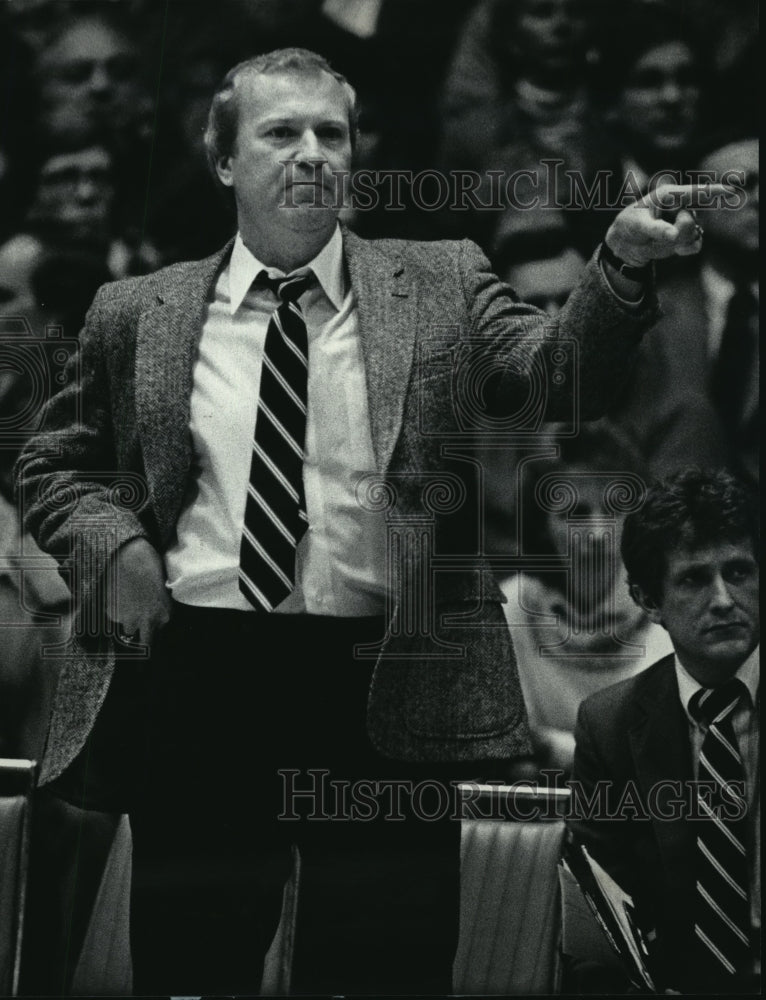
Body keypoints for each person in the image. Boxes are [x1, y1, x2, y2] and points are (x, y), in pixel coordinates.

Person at [15, 47, 713, 995]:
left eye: (331, 134)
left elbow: (559, 377)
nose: (312, 152)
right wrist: (115, 545)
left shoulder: (442, 280)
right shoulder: (140, 309)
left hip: (384, 675)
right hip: (202, 673)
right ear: (224, 160)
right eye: (281, 132)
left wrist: (620, 264)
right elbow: (54, 462)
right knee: (193, 966)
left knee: (384, 972)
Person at [569, 468, 760, 994]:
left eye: (739, 572)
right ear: (648, 600)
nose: (724, 599)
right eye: (695, 579)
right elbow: (597, 920)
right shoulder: (609, 725)